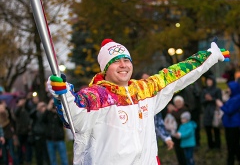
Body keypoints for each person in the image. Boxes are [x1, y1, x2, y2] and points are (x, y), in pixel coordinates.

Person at [47, 38, 229, 165]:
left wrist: (211, 56)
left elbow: (180, 73)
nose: (123, 65)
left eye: (126, 60)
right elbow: (75, 115)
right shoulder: (97, 96)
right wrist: (63, 94)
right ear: (105, 68)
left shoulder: (145, 89)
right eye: (116, 61)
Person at [216, 70, 240, 165]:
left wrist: (221, 105)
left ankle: (231, 160)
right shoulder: (232, 97)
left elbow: (229, 110)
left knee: (233, 145)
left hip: (233, 125)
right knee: (231, 144)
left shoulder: (237, 98)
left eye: (229, 88)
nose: (228, 89)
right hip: (229, 124)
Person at [42, 99, 69, 165]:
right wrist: (48, 109)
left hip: (60, 139)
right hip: (50, 140)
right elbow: (42, 119)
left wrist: (58, 111)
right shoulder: (48, 114)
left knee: (64, 159)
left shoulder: (59, 113)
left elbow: (64, 121)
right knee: (53, 160)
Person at [201, 75, 222, 151]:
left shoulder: (217, 90)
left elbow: (219, 100)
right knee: (208, 130)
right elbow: (202, 101)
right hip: (207, 112)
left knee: (216, 129)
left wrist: (211, 99)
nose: (208, 82)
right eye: (207, 80)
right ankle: (210, 145)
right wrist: (206, 100)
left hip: (215, 112)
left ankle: (217, 145)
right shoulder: (204, 91)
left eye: (210, 80)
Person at [167, 95, 188, 165]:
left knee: (183, 152)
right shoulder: (175, 110)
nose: (178, 103)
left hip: (183, 134)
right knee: (178, 151)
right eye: (176, 102)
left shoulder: (185, 110)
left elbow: (179, 116)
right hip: (175, 133)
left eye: (179, 102)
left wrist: (173, 111)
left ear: (182, 102)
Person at [14, 96, 32, 165]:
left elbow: (30, 110)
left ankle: (28, 160)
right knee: (19, 148)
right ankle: (20, 161)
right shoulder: (16, 109)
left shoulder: (26, 108)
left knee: (28, 147)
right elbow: (16, 114)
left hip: (27, 131)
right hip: (20, 132)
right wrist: (20, 106)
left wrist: (26, 100)